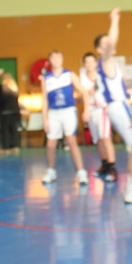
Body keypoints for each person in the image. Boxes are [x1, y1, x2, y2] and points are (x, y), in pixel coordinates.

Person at [93, 8, 132, 203]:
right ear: (100, 50)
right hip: (118, 107)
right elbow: (112, 42)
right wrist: (114, 20)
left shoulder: (109, 65)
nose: (109, 44)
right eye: (105, 44)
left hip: (118, 107)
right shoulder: (105, 60)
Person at [40, 50, 89, 185]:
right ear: (50, 61)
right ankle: (51, 171)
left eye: (58, 57)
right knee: (50, 144)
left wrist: (86, 110)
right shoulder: (46, 79)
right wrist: (44, 119)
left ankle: (81, 172)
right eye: (53, 58)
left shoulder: (70, 75)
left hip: (68, 111)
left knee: (72, 142)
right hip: (53, 113)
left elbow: (84, 92)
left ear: (62, 59)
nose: (56, 60)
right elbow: (44, 100)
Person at [80, 52, 118, 179]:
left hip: (102, 109)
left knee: (105, 138)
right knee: (97, 140)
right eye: (87, 62)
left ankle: (112, 168)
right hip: (91, 110)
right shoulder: (82, 77)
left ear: (96, 63)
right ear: (84, 64)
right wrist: (86, 108)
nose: (89, 64)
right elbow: (83, 94)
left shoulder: (102, 74)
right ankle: (105, 164)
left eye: (92, 61)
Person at [0, 72, 23, 155]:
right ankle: (15, 147)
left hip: (6, 111)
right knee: (14, 129)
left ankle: (6, 148)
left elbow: (1, 99)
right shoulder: (14, 87)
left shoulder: (4, 87)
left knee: (5, 130)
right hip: (15, 111)